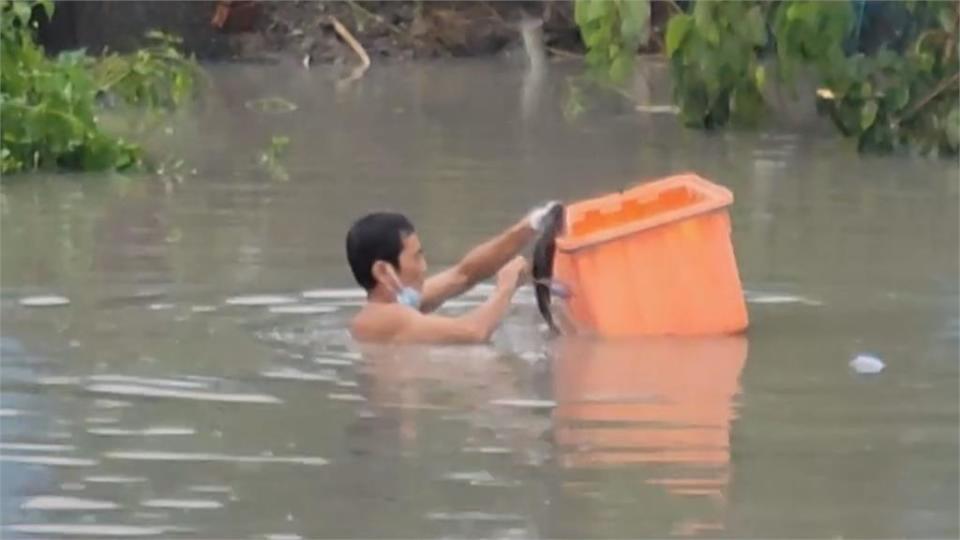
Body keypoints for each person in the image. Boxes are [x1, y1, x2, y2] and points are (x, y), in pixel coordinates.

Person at [345, 202, 560, 344]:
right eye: (416, 257)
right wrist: (506, 287)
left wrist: (530, 226)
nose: (423, 268)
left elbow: (464, 274)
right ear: (383, 271)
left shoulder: (397, 304)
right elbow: (473, 332)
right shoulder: (384, 318)